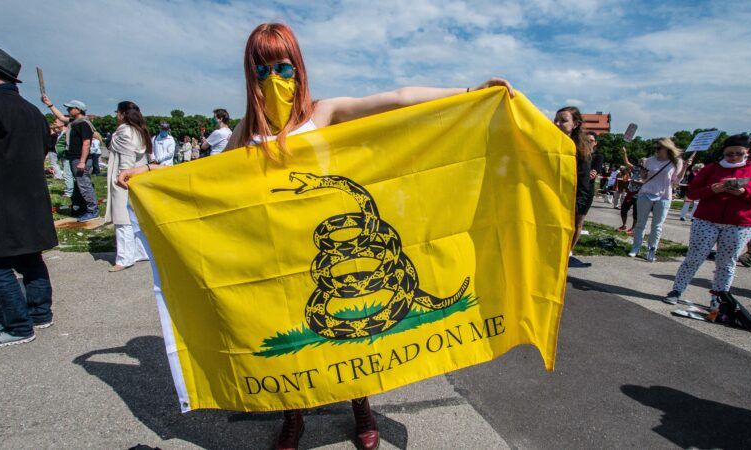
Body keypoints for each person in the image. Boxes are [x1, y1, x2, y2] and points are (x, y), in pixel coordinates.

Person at [119, 22, 515, 450]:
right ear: (250, 74)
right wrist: (150, 175)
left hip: (328, 245)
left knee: (348, 339)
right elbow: (201, 178)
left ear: (298, 69)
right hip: (272, 251)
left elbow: (396, 99)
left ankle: (360, 407)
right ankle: (294, 418)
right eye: (262, 69)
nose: (274, 79)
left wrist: (469, 92)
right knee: (282, 326)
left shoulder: (322, 113)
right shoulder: (245, 133)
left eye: (283, 68)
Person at [0, 43, 58, 349]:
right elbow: (43, 149)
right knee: (30, 259)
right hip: (28, 198)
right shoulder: (31, 111)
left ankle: (17, 326)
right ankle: (39, 312)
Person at [664, 134, 751, 305]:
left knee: (726, 262)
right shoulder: (711, 168)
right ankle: (677, 289)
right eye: (729, 154)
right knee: (695, 257)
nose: (733, 158)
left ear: (747, 152)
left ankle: (718, 299)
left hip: (740, 223)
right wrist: (712, 190)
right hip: (707, 219)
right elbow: (692, 193)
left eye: (738, 154)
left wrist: (745, 193)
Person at [105, 101, 151, 272]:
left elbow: (126, 159)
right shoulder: (139, 130)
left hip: (124, 179)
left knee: (122, 219)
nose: (116, 116)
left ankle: (124, 258)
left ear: (123, 114)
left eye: (117, 112)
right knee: (134, 219)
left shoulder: (125, 131)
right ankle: (140, 251)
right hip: (135, 178)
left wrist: (122, 176)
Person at [42, 94, 100, 221]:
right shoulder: (75, 122)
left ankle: (93, 210)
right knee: (80, 185)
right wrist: (49, 104)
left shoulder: (83, 124)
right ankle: (84, 208)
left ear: (78, 109)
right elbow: (61, 117)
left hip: (80, 158)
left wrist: (82, 162)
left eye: (70, 108)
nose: (68, 111)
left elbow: (86, 143)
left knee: (84, 185)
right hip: (75, 158)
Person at [628, 138, 686, 262]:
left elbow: (675, 182)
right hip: (646, 193)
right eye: (655, 148)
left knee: (657, 226)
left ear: (667, 148)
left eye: (659, 148)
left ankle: (651, 250)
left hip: (664, 196)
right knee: (640, 223)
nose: (656, 150)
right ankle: (635, 248)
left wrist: (685, 168)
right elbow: (644, 178)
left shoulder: (676, 162)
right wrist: (643, 171)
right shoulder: (649, 160)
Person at [554, 106, 595, 268]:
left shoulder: (579, 151)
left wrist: (572, 212)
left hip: (565, 209)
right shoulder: (547, 144)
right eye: (556, 119)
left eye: (563, 121)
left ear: (575, 124)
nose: (557, 123)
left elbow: (583, 187)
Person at [617, 150, 645, 233]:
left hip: (639, 195)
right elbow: (626, 162)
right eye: (640, 161)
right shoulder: (635, 169)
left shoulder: (648, 171)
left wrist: (638, 182)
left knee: (635, 213)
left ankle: (633, 228)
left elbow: (648, 182)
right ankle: (624, 225)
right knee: (623, 209)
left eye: (643, 162)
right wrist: (624, 152)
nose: (641, 163)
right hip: (630, 193)